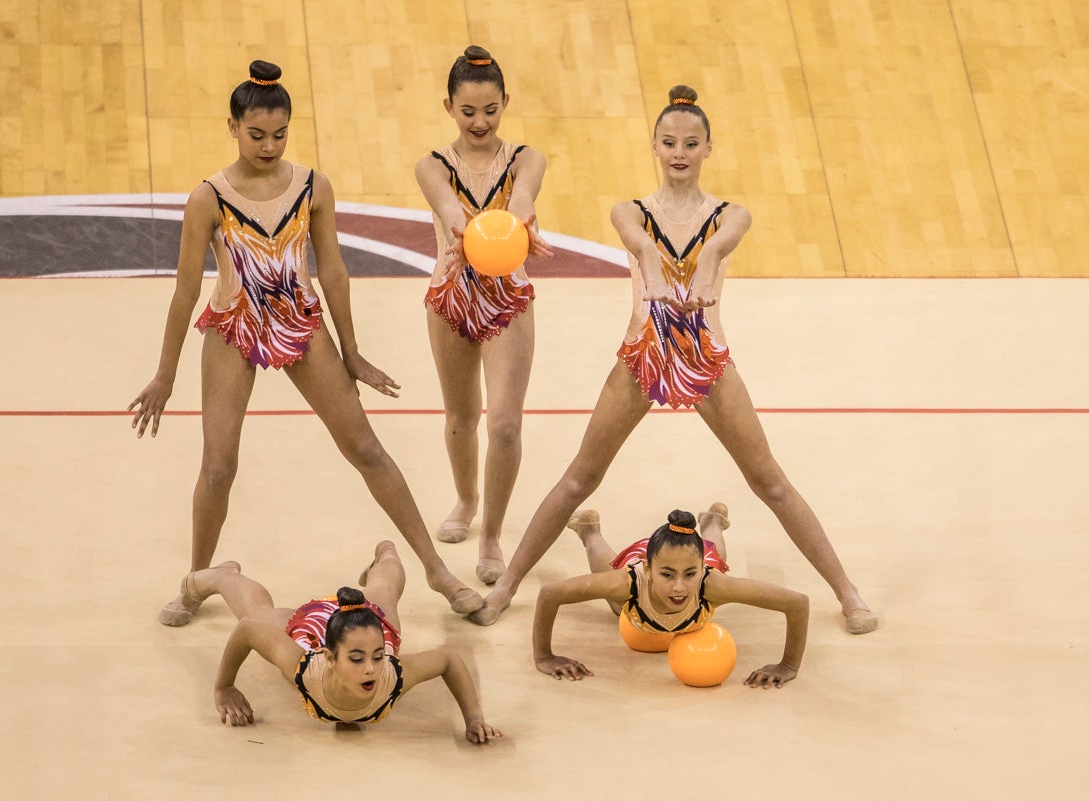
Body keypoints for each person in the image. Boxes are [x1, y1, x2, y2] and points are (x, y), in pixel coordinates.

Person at [470, 84, 877, 634]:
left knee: (770, 482)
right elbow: (637, 242)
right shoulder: (629, 211)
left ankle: (848, 593)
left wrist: (707, 256)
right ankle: (507, 590)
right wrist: (657, 273)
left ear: (709, 148)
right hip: (643, 357)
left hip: (706, 360)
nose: (679, 152)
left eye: (691, 142)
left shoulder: (730, 214)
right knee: (579, 478)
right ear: (654, 148)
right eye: (669, 142)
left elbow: (724, 240)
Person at [128, 60, 483, 621]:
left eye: (280, 134)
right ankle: (196, 581)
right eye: (256, 135)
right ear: (232, 127)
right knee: (218, 467)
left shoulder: (313, 187)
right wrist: (165, 373)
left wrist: (351, 350)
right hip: (233, 325)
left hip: (299, 320)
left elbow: (334, 271)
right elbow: (184, 292)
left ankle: (437, 571)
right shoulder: (208, 199)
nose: (269, 146)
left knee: (365, 448)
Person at [414, 45, 553, 586]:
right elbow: (449, 209)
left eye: (490, 110)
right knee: (460, 418)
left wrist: (518, 226)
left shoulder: (526, 158)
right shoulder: (432, 165)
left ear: (505, 104)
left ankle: (492, 532)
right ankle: (467, 499)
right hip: (450, 297)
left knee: (506, 425)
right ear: (449, 106)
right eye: (468, 111)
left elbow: (521, 201)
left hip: (507, 298)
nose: (480, 122)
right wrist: (462, 229)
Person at [182, 541, 501, 743]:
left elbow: (448, 660)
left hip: (365, 627)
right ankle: (222, 576)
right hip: (315, 631)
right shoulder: (304, 666)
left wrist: (473, 719)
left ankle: (386, 553)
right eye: (358, 660)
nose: (370, 670)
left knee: (384, 595)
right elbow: (250, 628)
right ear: (330, 660)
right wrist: (224, 687)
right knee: (257, 612)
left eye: (376, 659)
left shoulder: (391, 675)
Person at [533, 505, 807, 688]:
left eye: (690, 575)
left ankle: (712, 522)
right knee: (618, 605)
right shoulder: (628, 583)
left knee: (715, 556)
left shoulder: (711, 584)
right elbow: (550, 594)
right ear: (649, 570)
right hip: (644, 569)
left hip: (697, 557)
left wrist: (788, 665)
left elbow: (797, 603)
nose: (679, 588)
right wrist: (545, 657)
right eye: (667, 576)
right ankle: (589, 531)